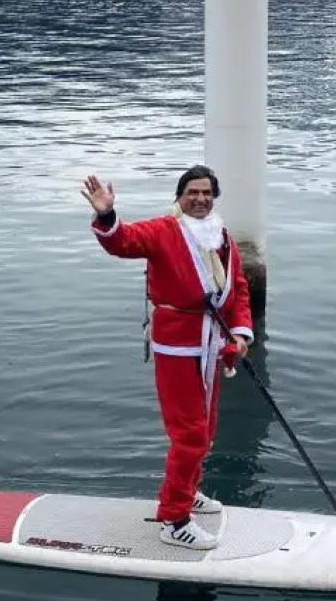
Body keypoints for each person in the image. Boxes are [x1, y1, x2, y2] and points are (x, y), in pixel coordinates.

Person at [81, 165, 254, 550]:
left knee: (205, 430)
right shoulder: (162, 231)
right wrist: (107, 214)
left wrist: (240, 334)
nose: (200, 199)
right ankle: (174, 519)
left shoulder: (222, 237)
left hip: (211, 344)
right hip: (176, 346)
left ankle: (187, 490)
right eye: (192, 192)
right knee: (189, 433)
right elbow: (121, 242)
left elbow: (238, 290)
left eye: (207, 193)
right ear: (179, 196)